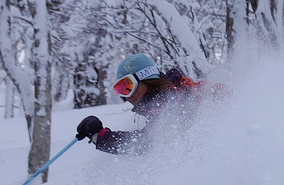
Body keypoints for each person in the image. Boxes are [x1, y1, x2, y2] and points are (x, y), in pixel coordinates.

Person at [76, 53, 224, 154]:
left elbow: (146, 144)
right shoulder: (167, 97)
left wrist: (100, 136)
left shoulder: (173, 100)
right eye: (121, 90)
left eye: (128, 87)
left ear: (147, 79)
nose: (127, 97)